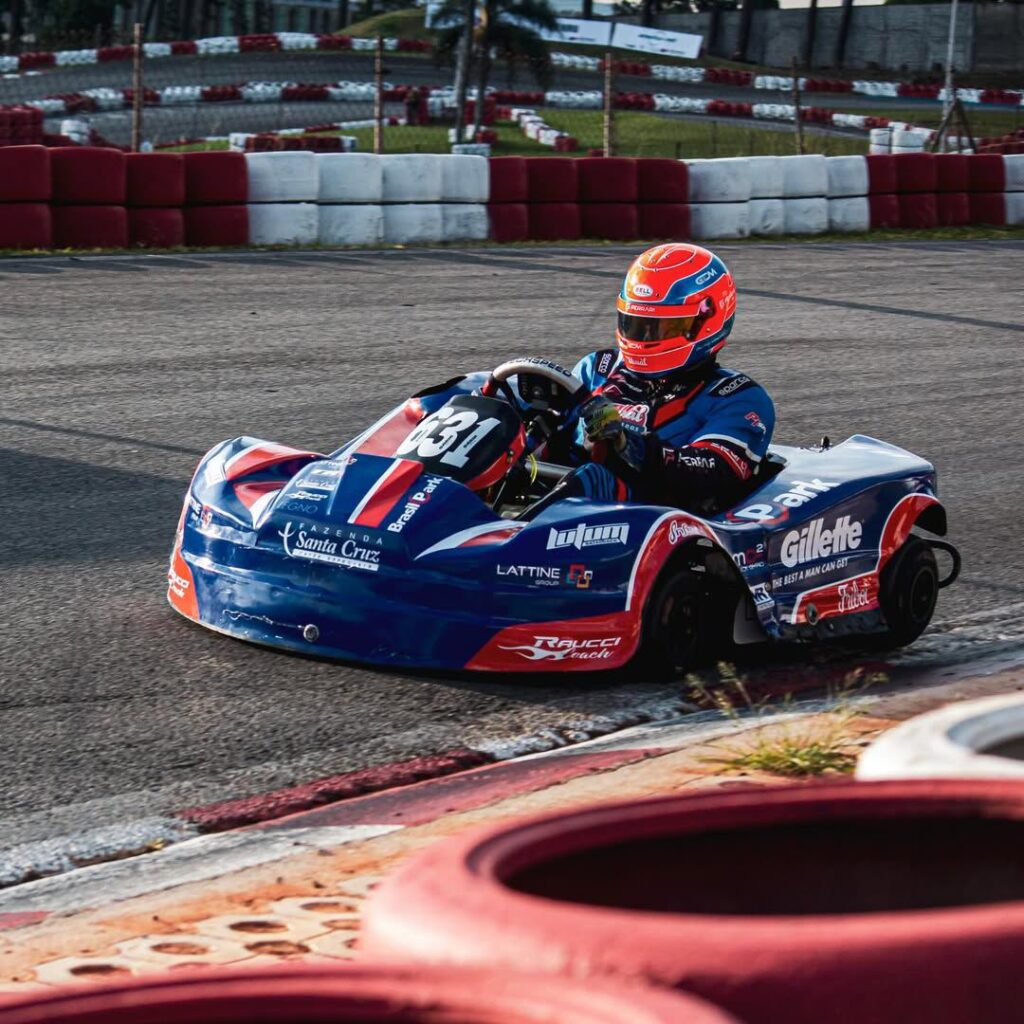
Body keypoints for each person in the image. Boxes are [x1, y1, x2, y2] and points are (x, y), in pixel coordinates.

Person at [556, 242, 775, 515]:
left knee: (593, 478)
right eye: (637, 324)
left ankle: (511, 535)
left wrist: (627, 444)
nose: (646, 337)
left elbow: (713, 471)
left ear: (707, 320)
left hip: (655, 515)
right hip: (564, 496)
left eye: (664, 326)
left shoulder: (736, 397)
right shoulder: (598, 369)